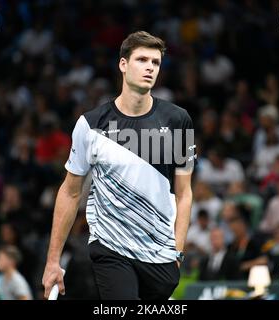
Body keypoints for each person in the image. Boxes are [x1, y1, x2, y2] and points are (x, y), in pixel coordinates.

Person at [42, 31, 195, 300]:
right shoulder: (90, 125)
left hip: (160, 252)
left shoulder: (178, 120)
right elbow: (70, 192)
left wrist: (178, 252)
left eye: (156, 62)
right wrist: (53, 261)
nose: (150, 67)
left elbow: (184, 193)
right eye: (142, 59)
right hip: (111, 246)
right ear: (123, 64)